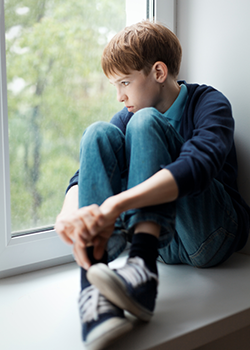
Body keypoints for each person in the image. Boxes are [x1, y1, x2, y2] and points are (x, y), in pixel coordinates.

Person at [55, 20, 250, 350]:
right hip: (164, 244)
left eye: (125, 82)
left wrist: (119, 203)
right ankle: (94, 288)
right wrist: (68, 213)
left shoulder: (208, 103)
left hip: (210, 235)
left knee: (146, 122)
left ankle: (141, 265)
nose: (120, 97)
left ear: (159, 72)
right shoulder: (127, 115)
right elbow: (81, 176)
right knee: (97, 133)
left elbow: (198, 167)